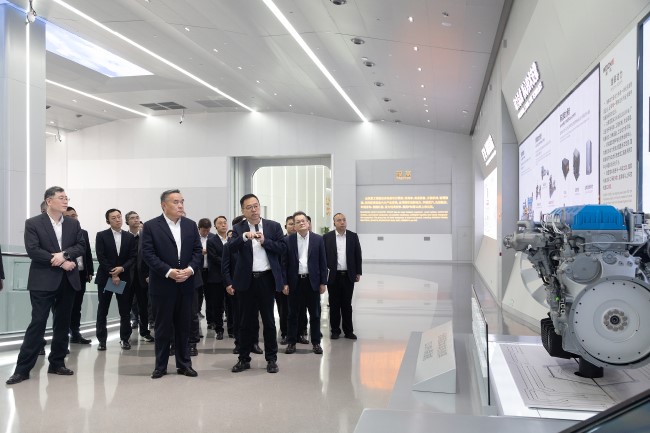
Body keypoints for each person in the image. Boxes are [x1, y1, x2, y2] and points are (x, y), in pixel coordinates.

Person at [6, 186, 86, 385]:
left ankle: (57, 363)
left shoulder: (73, 224)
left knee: (63, 324)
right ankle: (22, 369)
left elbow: (81, 246)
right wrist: (60, 261)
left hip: (68, 280)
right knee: (38, 322)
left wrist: (65, 255)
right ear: (49, 201)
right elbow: (33, 250)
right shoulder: (33, 223)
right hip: (43, 280)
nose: (65, 201)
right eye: (61, 197)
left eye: (66, 198)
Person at [142, 189, 202, 379]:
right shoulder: (151, 226)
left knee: (184, 327)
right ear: (164, 205)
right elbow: (148, 254)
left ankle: (184, 364)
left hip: (186, 283)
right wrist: (169, 272)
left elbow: (198, 252)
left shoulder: (190, 225)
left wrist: (190, 270)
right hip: (162, 285)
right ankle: (160, 366)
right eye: (176, 202)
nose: (180, 205)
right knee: (162, 328)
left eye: (182, 201)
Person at [228, 194, 285, 374]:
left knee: (269, 321)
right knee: (245, 322)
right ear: (243, 210)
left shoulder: (273, 226)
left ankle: (271, 359)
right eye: (249, 207)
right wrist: (244, 237)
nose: (253, 210)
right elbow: (230, 248)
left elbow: (283, 248)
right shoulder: (238, 228)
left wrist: (265, 241)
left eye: (256, 206)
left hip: (266, 279)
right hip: (246, 281)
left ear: (260, 207)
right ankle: (243, 359)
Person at [283, 211, 327, 355]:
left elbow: (322, 262)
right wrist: (284, 283)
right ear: (294, 226)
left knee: (315, 314)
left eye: (304, 221)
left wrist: (323, 282)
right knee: (292, 314)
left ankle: (316, 343)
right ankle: (291, 342)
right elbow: (284, 264)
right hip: (294, 282)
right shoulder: (288, 240)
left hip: (312, 281)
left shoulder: (318, 239)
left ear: (308, 223)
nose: (301, 223)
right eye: (298, 222)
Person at [95, 209, 138, 351]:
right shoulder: (101, 235)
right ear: (108, 221)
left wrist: (122, 269)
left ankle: (125, 339)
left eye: (119, 217)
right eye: (113, 218)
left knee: (125, 311)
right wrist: (113, 273)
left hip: (123, 278)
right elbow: (101, 256)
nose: (117, 219)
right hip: (106, 278)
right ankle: (102, 341)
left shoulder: (129, 237)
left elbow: (133, 257)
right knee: (103, 310)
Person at [323, 213, 362, 340]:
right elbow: (323, 257)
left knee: (347, 304)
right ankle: (335, 331)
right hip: (333, 276)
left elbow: (358, 255)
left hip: (348, 276)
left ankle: (348, 331)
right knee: (334, 304)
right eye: (339, 220)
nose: (342, 222)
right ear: (334, 223)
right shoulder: (327, 237)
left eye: (344, 220)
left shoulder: (353, 236)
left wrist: (358, 272)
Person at [63, 206, 95, 345]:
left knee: (77, 306)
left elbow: (87, 253)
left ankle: (75, 334)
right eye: (69, 216)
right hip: (66, 273)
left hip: (81, 273)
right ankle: (63, 337)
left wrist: (90, 271)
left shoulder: (83, 233)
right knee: (64, 307)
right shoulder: (61, 232)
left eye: (74, 215)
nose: (73, 218)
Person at [124, 211, 154, 343]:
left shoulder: (146, 237)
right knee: (124, 307)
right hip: (125, 277)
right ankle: (125, 336)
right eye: (132, 218)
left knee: (144, 306)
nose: (136, 220)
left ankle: (145, 332)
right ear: (127, 222)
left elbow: (150, 257)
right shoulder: (123, 237)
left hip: (142, 277)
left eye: (137, 218)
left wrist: (149, 275)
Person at [206, 216, 228, 340]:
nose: (223, 225)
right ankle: (219, 329)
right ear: (215, 226)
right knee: (217, 305)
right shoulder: (211, 241)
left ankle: (232, 329)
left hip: (230, 277)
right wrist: (228, 262)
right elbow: (213, 258)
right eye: (220, 223)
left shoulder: (231, 239)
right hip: (216, 277)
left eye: (225, 222)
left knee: (231, 304)